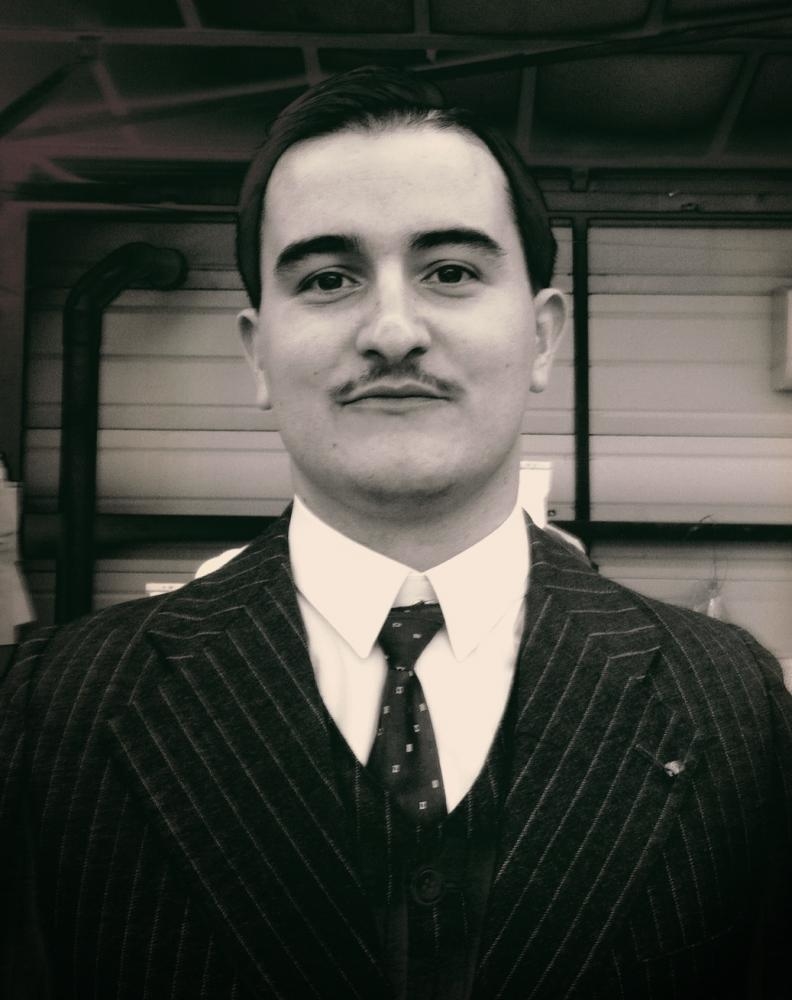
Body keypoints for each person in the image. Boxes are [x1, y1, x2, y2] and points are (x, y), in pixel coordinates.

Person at [1, 67, 790, 1000]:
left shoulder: (734, 706)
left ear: (543, 337)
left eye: (450, 272)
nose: (391, 330)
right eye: (328, 278)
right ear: (258, 353)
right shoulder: (48, 716)